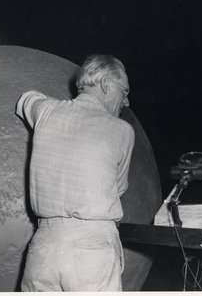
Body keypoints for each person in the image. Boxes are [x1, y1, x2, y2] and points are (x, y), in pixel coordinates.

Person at [16, 54, 135, 291]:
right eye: (124, 92)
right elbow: (118, 188)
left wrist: (63, 112)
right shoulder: (122, 130)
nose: (127, 102)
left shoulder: (47, 112)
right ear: (105, 84)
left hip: (44, 249)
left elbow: (26, 99)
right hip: (92, 250)